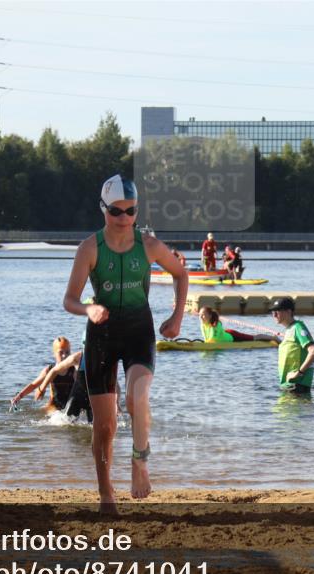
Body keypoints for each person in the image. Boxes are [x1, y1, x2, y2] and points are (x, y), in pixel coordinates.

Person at [63, 174, 188, 510]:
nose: (123, 219)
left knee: (137, 398)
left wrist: (177, 318)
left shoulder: (148, 246)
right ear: (103, 209)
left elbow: (180, 273)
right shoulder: (90, 248)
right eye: (116, 211)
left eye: (130, 211)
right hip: (101, 336)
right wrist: (88, 308)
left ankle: (139, 463)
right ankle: (106, 493)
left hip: (138, 331)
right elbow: (69, 300)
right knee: (104, 426)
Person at [10, 336, 76, 412]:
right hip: (53, 406)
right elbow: (34, 385)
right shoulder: (49, 370)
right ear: (54, 354)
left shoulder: (74, 370)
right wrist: (18, 397)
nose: (64, 355)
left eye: (67, 352)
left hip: (70, 405)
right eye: (61, 352)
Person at [269, 297, 314, 394]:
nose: (274, 315)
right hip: (288, 386)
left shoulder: (298, 327)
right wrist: (273, 339)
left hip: (297, 387)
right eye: (272, 312)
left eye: (277, 311)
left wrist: (298, 373)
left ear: (288, 311)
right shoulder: (289, 329)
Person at [198, 307, 277, 343]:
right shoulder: (203, 325)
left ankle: (273, 337)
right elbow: (206, 339)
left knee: (254, 338)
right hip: (224, 333)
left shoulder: (216, 324)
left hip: (232, 336)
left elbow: (213, 339)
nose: (201, 317)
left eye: (203, 315)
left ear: (210, 316)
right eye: (199, 315)